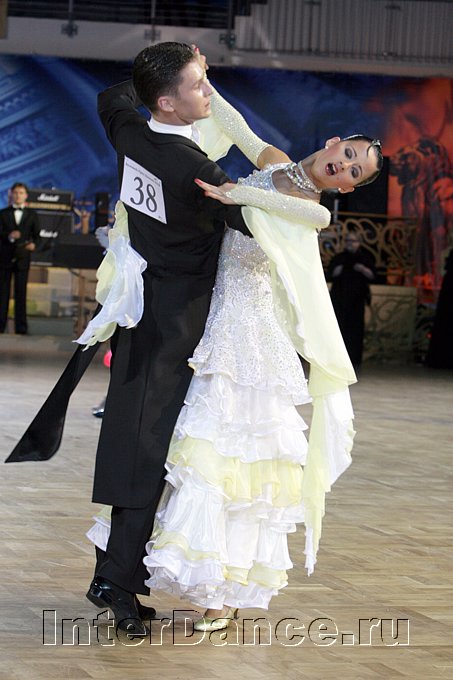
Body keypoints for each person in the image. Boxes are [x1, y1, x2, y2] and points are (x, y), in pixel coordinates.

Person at [87, 73, 383, 631]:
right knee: (184, 454)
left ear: (348, 188)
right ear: (333, 142)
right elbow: (234, 124)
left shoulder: (314, 208)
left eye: (354, 172)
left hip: (247, 335)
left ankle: (220, 595)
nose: (343, 167)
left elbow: (300, 215)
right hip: (208, 316)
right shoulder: (275, 160)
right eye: (347, 154)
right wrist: (201, 77)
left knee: (234, 464)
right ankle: (145, 571)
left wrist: (237, 193)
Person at [79, 42, 263, 637]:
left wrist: (168, 66)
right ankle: (115, 579)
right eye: (199, 85)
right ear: (166, 102)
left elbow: (112, 96)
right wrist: (306, 189)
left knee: (137, 441)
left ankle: (115, 574)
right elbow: (254, 220)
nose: (210, 93)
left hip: (140, 311)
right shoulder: (194, 168)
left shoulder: (129, 131)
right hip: (176, 324)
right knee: (149, 446)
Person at [327, 230, 376, 368]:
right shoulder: (339, 258)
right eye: (347, 240)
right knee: (339, 328)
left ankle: (354, 359)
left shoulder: (365, 258)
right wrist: (337, 271)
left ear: (359, 242)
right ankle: (336, 358)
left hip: (357, 300)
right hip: (340, 299)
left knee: (355, 329)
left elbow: (373, 276)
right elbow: (329, 275)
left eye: (353, 241)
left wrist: (363, 269)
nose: (350, 244)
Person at [0, 182, 40, 334]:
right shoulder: (3, 213)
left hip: (23, 258)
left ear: (26, 195)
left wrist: (34, 245)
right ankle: (0, 326)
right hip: (4, 258)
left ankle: (21, 328)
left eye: (21, 193)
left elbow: (37, 237)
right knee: (2, 293)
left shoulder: (32, 214)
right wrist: (9, 236)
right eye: (15, 193)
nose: (18, 195)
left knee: (21, 293)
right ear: (11, 194)